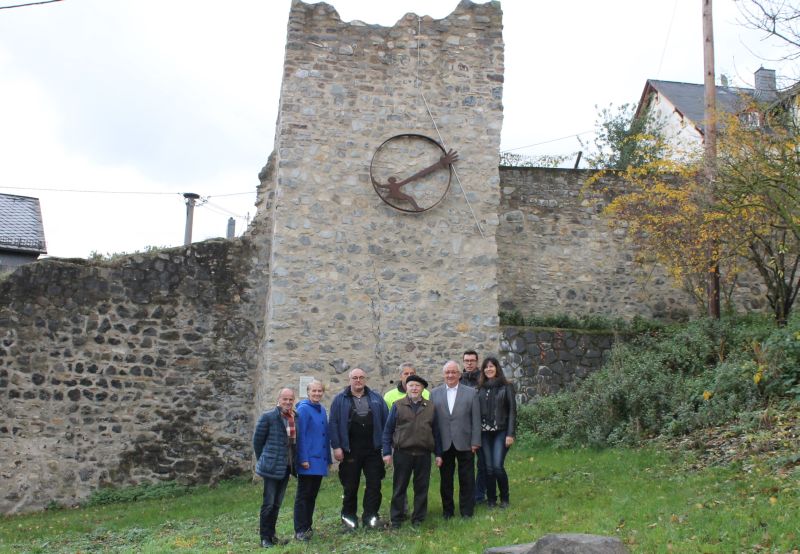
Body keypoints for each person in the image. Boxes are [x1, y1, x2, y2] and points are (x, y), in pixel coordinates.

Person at [328, 367, 390, 531]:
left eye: (361, 377)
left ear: (365, 379)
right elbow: (333, 424)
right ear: (349, 380)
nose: (358, 380)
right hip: (350, 450)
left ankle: (371, 518)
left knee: (374, 485)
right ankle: (349, 522)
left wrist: (386, 446)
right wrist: (336, 447)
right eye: (355, 377)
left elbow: (386, 421)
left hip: (372, 450)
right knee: (350, 487)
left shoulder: (376, 398)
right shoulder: (339, 400)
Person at [382, 374, 442, 529]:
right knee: (399, 487)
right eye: (411, 385)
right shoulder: (398, 405)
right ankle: (396, 518)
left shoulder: (430, 407)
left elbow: (436, 432)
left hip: (423, 454)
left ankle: (418, 519)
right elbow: (388, 430)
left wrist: (439, 454)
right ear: (406, 388)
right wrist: (387, 452)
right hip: (403, 453)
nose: (414, 388)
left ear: (422, 389)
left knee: (421, 487)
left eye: (417, 386)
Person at [431, 360, 481, 519]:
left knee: (467, 479)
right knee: (446, 480)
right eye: (447, 372)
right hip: (444, 443)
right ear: (443, 374)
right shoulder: (434, 393)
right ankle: (448, 511)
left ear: (459, 374)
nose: (450, 375)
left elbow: (476, 419)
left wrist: (475, 441)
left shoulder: (471, 392)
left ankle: (467, 511)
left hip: (465, 442)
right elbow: (432, 421)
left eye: (453, 372)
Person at [253, 388, 296, 548]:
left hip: (286, 467)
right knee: (268, 503)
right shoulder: (268, 417)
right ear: (279, 399)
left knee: (277, 503)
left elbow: (293, 444)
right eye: (285, 399)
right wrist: (265, 459)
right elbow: (257, 442)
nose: (288, 402)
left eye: (291, 399)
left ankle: (272, 535)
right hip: (271, 467)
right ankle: (264, 538)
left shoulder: (294, 417)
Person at [293, 380, 331, 541]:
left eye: (319, 391)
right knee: (303, 496)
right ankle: (300, 530)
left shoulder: (321, 409)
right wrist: (303, 458)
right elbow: (300, 435)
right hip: (308, 460)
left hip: (319, 460)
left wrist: (328, 459)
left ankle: (307, 527)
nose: (317, 394)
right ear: (308, 392)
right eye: (314, 391)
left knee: (312, 495)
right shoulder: (303, 409)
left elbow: (325, 436)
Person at [476, 357, 517, 508]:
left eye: (491, 366)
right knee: (488, 468)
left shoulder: (506, 387)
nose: (488, 369)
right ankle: (491, 500)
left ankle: (505, 498)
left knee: (498, 466)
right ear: (483, 370)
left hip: (501, 431)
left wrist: (510, 434)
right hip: (484, 433)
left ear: (497, 368)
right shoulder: (480, 388)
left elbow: (512, 412)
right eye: (486, 367)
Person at [459, 350, 486, 505]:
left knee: (483, 463)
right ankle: (469, 495)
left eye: (472, 360)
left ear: (477, 362)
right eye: (466, 360)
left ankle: (480, 494)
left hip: (482, 427)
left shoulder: (483, 380)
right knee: (466, 466)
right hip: (464, 428)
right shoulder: (459, 380)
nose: (469, 363)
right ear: (463, 362)